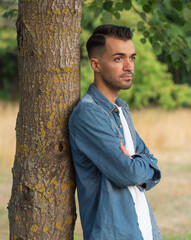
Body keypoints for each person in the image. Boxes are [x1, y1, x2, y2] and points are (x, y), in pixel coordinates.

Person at [69, 25, 162, 240]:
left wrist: (136, 163)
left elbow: (153, 163)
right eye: (118, 59)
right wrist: (139, 165)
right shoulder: (88, 114)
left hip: (144, 230)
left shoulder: (121, 109)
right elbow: (127, 173)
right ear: (96, 64)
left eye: (132, 58)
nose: (129, 66)